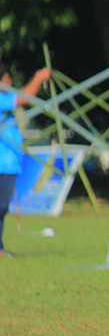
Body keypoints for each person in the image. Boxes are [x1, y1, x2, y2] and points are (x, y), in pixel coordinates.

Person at [0, 62, 51, 257]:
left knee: (2, 208)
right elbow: (24, 98)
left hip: (8, 163)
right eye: (7, 79)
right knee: (1, 206)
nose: (10, 82)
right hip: (3, 163)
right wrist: (39, 77)